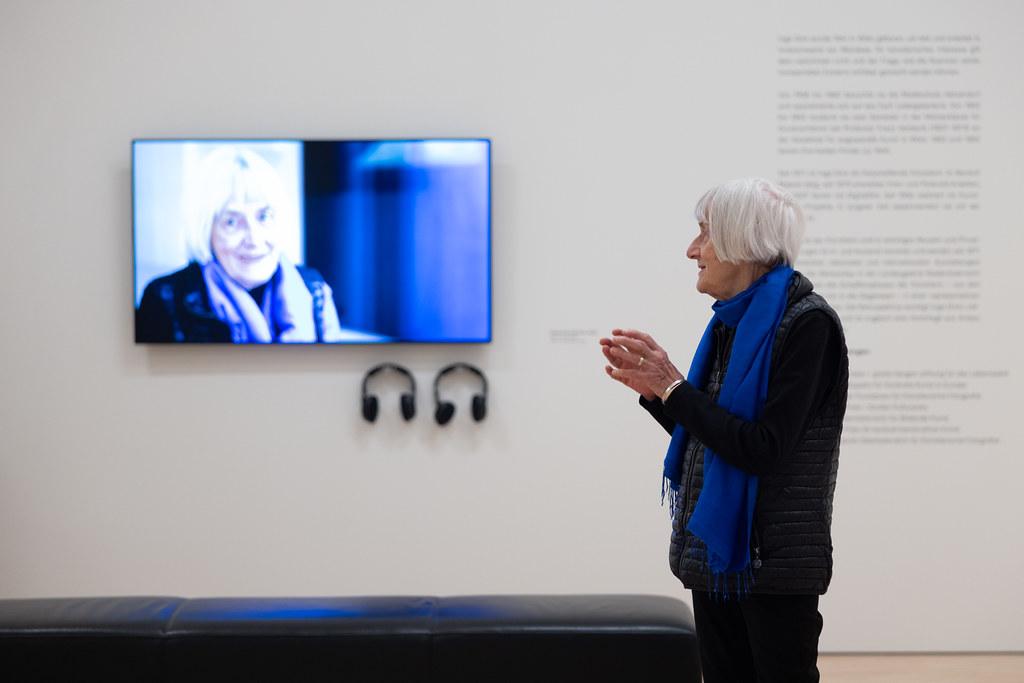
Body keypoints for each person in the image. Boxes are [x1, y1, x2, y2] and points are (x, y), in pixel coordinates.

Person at [599, 177, 848, 683]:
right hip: (715, 557)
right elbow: (716, 439)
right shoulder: (729, 324)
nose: (692, 250)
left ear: (743, 241)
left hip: (773, 564)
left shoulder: (808, 324)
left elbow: (761, 448)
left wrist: (675, 389)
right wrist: (659, 394)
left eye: (705, 233)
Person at [136, 146, 367, 343]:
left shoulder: (314, 289)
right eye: (231, 222)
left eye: (264, 216)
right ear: (206, 231)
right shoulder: (164, 298)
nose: (254, 239)